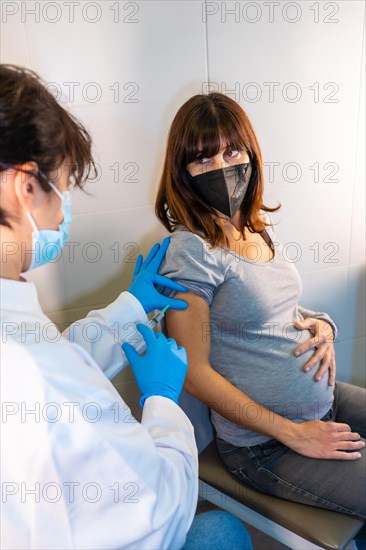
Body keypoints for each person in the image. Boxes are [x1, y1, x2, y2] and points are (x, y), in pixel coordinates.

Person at [0, 66, 253, 550]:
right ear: (26, 186)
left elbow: (62, 360)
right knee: (221, 532)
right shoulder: (21, 370)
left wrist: (129, 307)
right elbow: (157, 509)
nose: (63, 207)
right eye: (63, 185)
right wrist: (160, 400)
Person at [155, 92, 366, 525]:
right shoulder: (190, 250)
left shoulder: (255, 227)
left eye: (232, 151)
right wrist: (294, 434)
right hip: (264, 445)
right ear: (182, 172)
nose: (222, 168)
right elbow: (194, 373)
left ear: (251, 153)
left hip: (324, 404)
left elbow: (278, 309)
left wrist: (324, 326)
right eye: (203, 159)